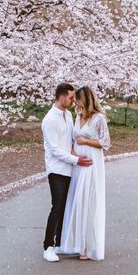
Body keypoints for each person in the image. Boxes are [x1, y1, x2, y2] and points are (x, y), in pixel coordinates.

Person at [41, 83, 93, 263]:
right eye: (71, 98)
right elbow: (55, 149)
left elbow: (69, 142)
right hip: (56, 169)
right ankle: (48, 246)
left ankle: (60, 243)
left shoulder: (68, 115)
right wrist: (76, 159)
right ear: (62, 97)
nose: (73, 101)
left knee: (66, 207)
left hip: (70, 168)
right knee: (57, 207)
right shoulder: (49, 120)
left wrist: (77, 154)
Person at [60, 86, 111, 261]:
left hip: (91, 163)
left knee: (89, 202)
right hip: (78, 164)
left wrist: (86, 141)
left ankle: (90, 247)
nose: (75, 102)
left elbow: (105, 143)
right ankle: (77, 243)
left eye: (78, 99)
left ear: (86, 99)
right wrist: (74, 152)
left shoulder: (99, 118)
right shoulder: (78, 116)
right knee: (77, 200)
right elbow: (74, 139)